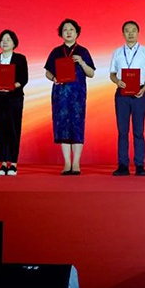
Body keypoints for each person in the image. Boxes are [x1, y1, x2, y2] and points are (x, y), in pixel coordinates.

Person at [43, 18, 96, 175]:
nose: (68, 32)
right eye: (65, 30)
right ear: (61, 33)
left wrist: (82, 62)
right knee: (63, 127)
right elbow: (47, 72)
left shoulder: (83, 51)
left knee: (77, 126)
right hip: (60, 95)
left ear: (77, 33)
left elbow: (91, 73)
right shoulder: (56, 52)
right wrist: (54, 78)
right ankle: (67, 163)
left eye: (71, 29)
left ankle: (76, 163)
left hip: (78, 95)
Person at [109, 20, 145, 177]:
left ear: (138, 33)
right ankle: (123, 165)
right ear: (123, 33)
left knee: (138, 131)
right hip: (121, 94)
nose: (130, 33)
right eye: (127, 31)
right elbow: (112, 74)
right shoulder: (117, 52)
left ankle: (139, 165)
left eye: (133, 30)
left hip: (139, 94)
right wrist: (117, 81)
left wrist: (144, 88)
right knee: (122, 131)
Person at [0, 29, 28, 176]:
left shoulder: (20, 59)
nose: (5, 42)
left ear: (14, 43)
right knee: (0, 129)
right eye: (3, 39)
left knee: (13, 129)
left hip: (14, 99)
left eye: (8, 39)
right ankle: (3, 163)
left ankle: (13, 163)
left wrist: (11, 86)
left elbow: (24, 79)